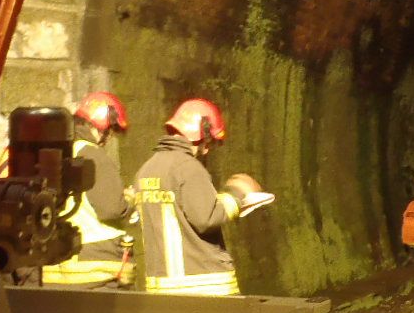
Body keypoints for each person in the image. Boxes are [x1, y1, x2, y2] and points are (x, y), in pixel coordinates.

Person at [133, 98, 272, 296]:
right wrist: (238, 193)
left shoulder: (146, 170)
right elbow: (206, 218)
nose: (207, 150)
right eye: (208, 142)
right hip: (203, 284)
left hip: (161, 287)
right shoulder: (187, 167)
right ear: (201, 133)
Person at [43, 91, 134, 288]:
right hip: (95, 266)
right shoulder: (93, 155)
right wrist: (129, 202)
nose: (109, 138)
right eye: (110, 131)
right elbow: (111, 208)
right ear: (102, 127)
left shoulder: (58, 153)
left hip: (56, 265)